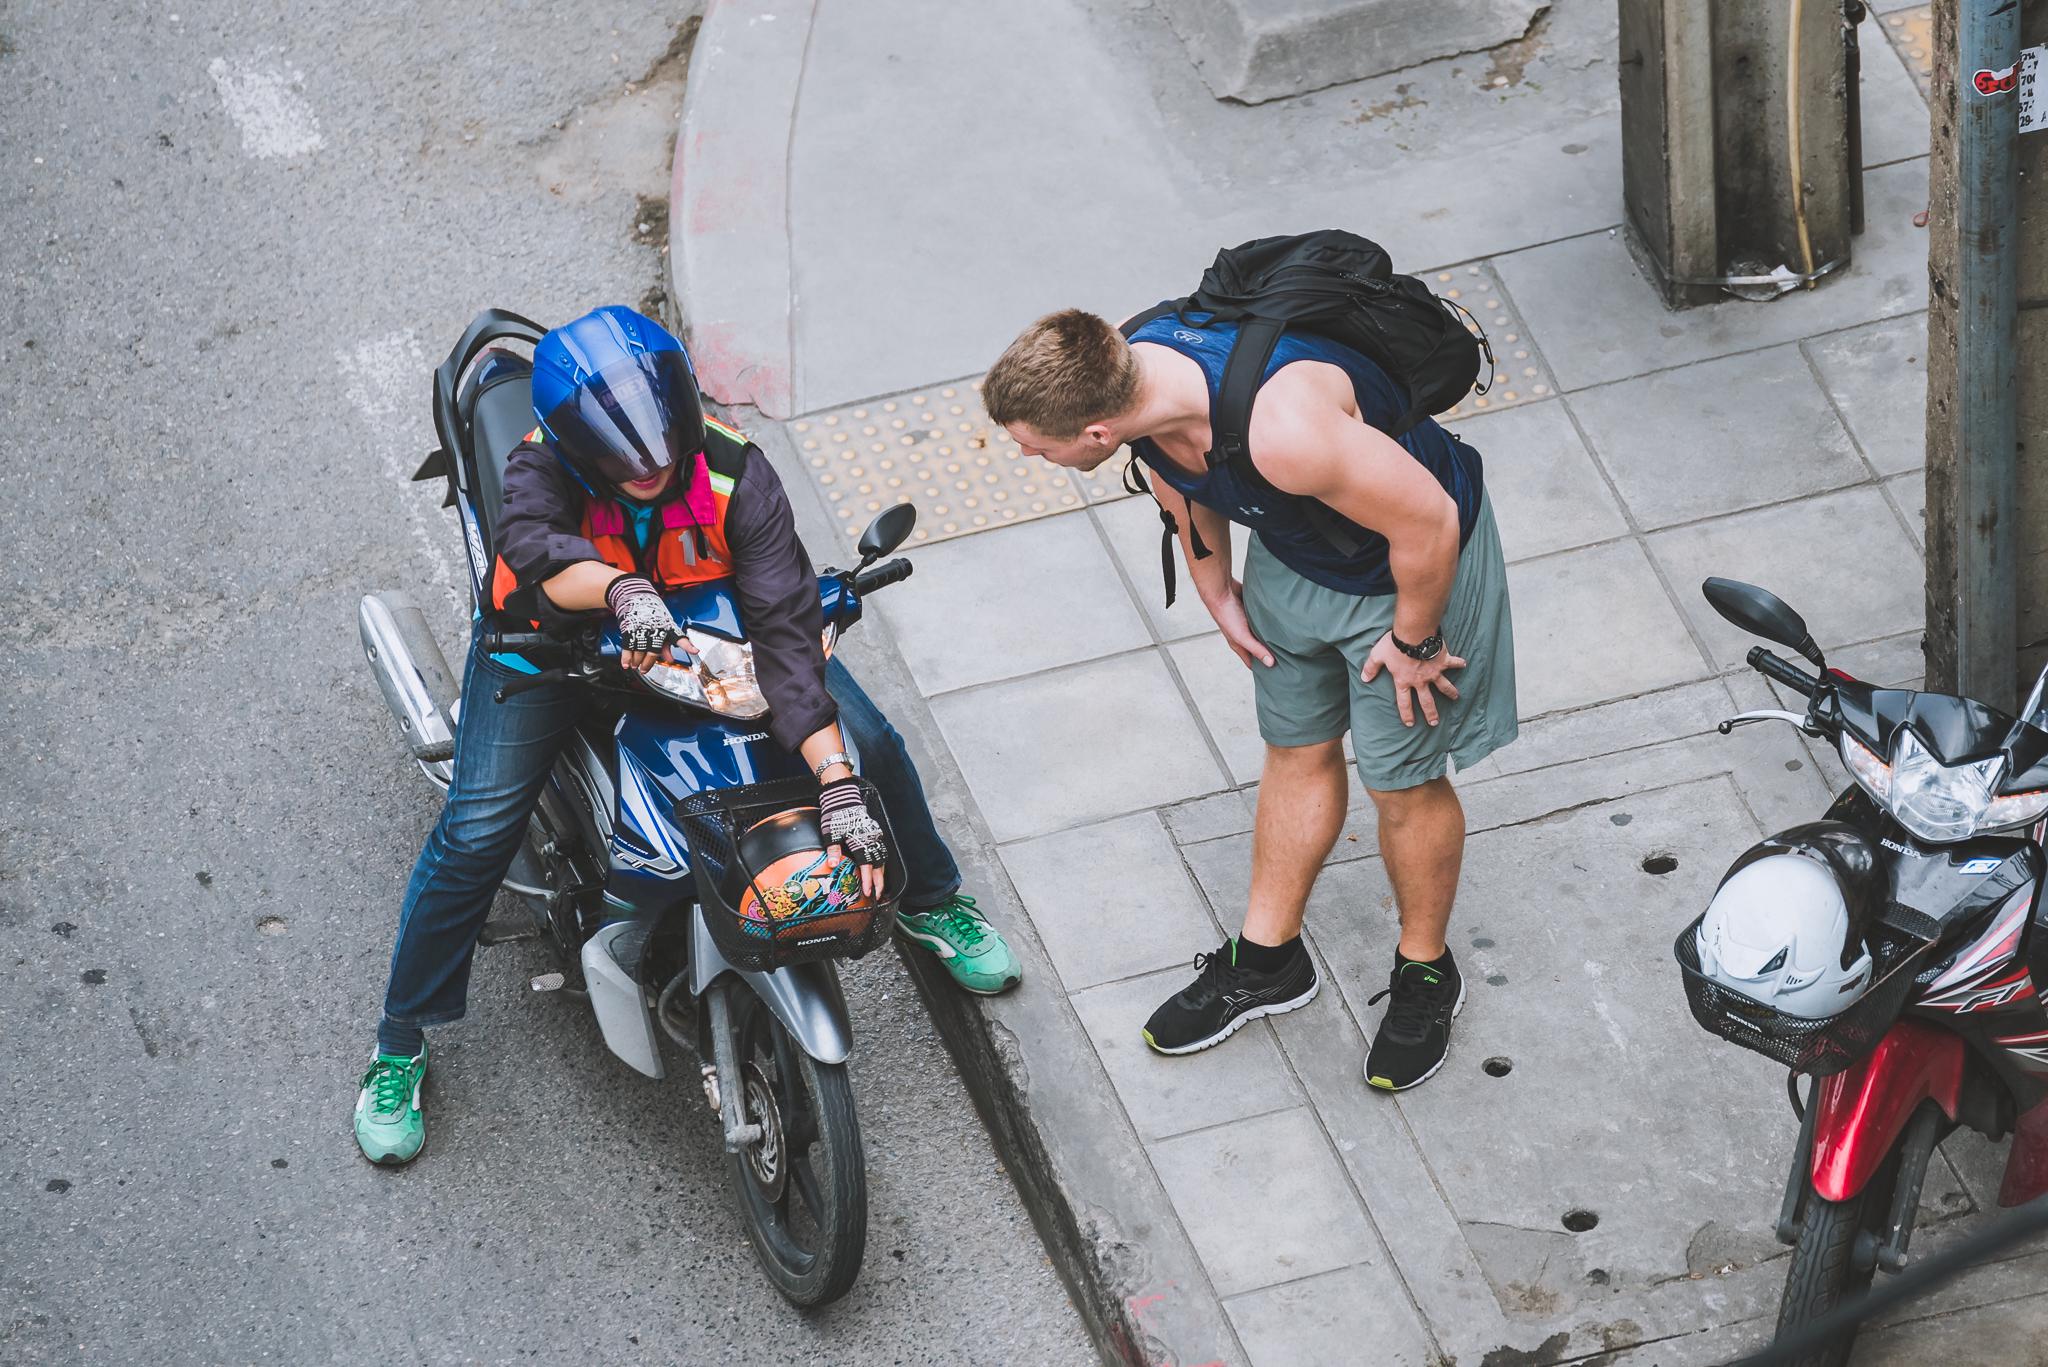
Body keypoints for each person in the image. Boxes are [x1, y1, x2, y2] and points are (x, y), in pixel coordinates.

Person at [355, 306, 1020, 1165]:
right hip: (554, 654)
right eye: (626, 464)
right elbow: (534, 549)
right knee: (477, 831)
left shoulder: (737, 471)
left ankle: (930, 899)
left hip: (718, 652)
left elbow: (785, 631)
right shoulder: (538, 469)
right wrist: (619, 588)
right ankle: (399, 1040)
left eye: (665, 454)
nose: (652, 471)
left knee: (874, 748)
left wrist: (837, 781)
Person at [982, 306, 1515, 1092]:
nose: (1028, 454)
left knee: (1400, 781)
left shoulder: (1284, 429)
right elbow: (1169, 462)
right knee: (1295, 748)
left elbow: (1429, 521)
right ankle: (1269, 960)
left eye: (1037, 445)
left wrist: (1415, 641)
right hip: (1296, 553)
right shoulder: (1137, 369)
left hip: (1403, 578)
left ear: (1095, 432)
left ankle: (1426, 970)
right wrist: (1214, 587)